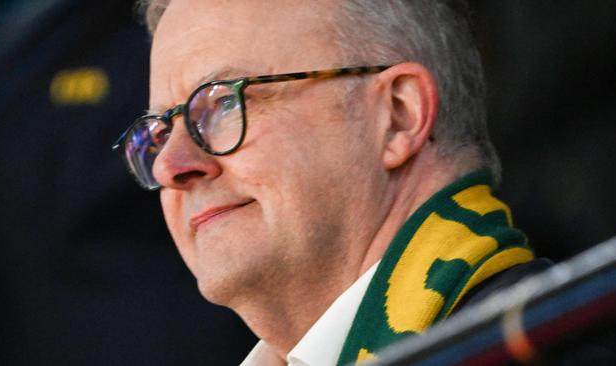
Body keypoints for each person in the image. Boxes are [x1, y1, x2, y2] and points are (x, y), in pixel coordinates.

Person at [113, 1, 550, 364]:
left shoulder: (550, 342)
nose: (171, 165)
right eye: (159, 130)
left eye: (224, 102)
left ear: (398, 115)